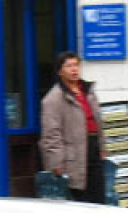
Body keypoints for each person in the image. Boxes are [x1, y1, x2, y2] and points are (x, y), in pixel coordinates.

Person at [39, 51, 107, 204]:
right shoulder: (53, 99)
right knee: (80, 201)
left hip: (93, 150)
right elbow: (51, 134)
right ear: (60, 71)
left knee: (99, 199)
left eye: (76, 65)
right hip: (73, 157)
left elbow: (98, 122)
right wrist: (56, 164)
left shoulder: (88, 91)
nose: (74, 69)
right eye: (69, 66)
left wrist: (102, 147)